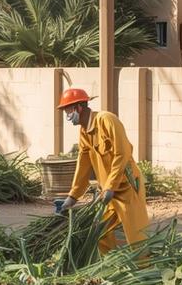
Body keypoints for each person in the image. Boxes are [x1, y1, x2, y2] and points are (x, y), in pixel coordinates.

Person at [54, 88, 148, 253]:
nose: (67, 115)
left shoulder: (107, 120)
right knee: (101, 233)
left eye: (68, 110)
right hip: (107, 193)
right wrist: (73, 196)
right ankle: (109, 269)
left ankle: (146, 269)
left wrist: (111, 185)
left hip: (127, 187)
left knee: (136, 236)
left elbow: (122, 153)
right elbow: (83, 165)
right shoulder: (84, 131)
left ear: (79, 107)